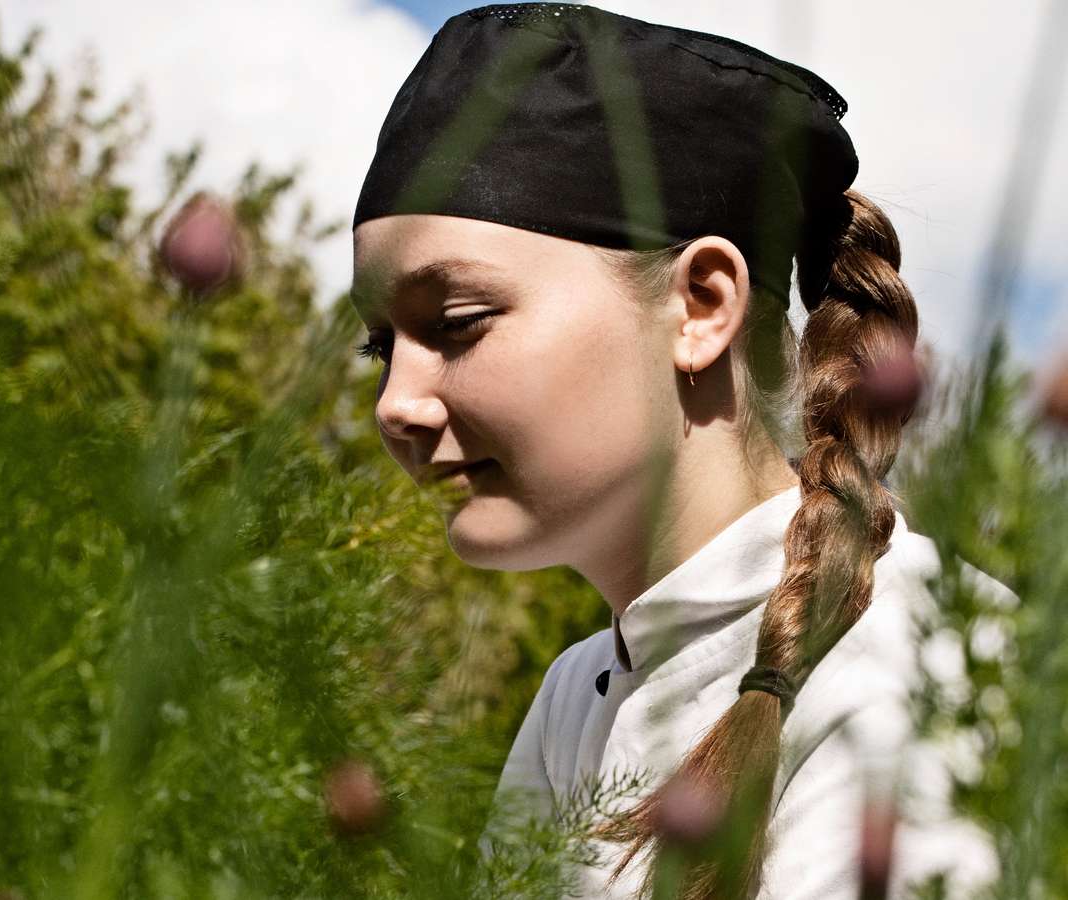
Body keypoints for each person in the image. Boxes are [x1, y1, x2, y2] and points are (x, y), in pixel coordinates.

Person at [348, 4, 1015, 898]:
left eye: (458, 325)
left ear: (701, 306)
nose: (396, 404)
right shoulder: (575, 695)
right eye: (381, 347)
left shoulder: (925, 669)